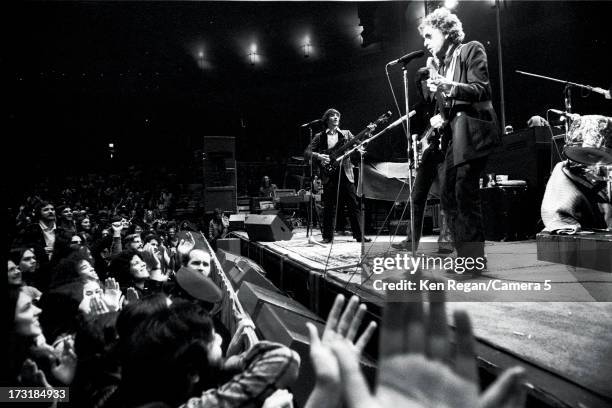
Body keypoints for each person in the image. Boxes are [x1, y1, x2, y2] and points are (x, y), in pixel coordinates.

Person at [419, 8, 500, 274]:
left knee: (464, 191)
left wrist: (448, 86)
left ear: (446, 30)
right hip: (455, 134)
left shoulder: (470, 50)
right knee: (447, 194)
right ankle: (464, 256)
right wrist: (439, 111)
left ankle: (474, 260)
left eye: (430, 36)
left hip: (473, 131)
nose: (426, 43)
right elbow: (446, 106)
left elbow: (482, 88)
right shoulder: (441, 64)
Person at [392, 67, 453, 254]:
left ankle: (446, 241)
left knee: (446, 197)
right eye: (424, 80)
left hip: (444, 152)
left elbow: (450, 119)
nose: (428, 83)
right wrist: (414, 145)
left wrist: (444, 120)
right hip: (427, 155)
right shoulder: (419, 107)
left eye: (430, 79)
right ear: (420, 84)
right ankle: (412, 241)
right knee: (416, 197)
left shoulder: (442, 99)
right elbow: (415, 133)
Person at [304, 108, 371, 244]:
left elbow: (360, 145)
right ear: (327, 119)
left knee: (353, 204)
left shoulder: (346, 134)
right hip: (329, 174)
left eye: (337, 116)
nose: (335, 117)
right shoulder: (320, 136)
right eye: (332, 116)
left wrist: (367, 134)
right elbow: (307, 152)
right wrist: (318, 156)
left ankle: (359, 235)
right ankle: (327, 236)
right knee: (329, 206)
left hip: (345, 172)